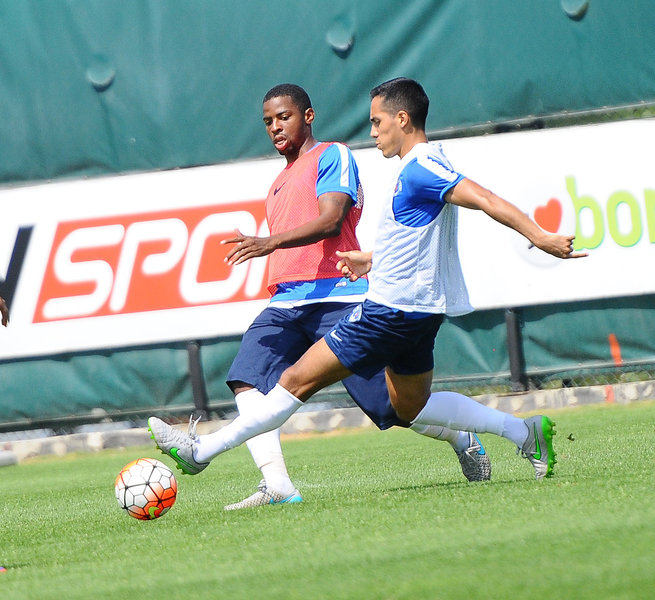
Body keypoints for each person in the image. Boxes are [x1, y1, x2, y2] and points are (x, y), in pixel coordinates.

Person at [149, 77, 587, 485]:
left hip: (386, 312)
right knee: (408, 407)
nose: (373, 132)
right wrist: (371, 258)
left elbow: (486, 198)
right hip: (419, 315)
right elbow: (418, 237)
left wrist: (540, 236)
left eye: (377, 122)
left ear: (402, 119)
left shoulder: (420, 167)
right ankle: (524, 432)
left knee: (295, 382)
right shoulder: (423, 166)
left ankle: (201, 451)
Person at [196, 83, 490, 510]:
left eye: (284, 117)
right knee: (246, 376)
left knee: (391, 407)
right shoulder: (277, 183)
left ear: (308, 116)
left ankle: (462, 436)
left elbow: (332, 220)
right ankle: (276, 484)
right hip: (285, 302)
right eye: (268, 121)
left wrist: (269, 242)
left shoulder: (332, 154)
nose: (275, 127)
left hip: (339, 297)